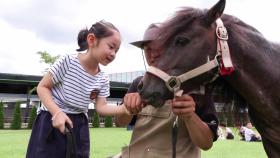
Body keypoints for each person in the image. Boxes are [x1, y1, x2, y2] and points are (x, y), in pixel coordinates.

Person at [26, 20, 128, 158]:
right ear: (92, 40)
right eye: (111, 47)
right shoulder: (68, 62)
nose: (113, 54)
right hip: (51, 121)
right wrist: (57, 113)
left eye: (116, 50)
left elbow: (101, 107)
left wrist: (124, 108)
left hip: (79, 126)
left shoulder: (103, 78)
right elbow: (42, 87)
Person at [114, 23, 219, 158]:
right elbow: (120, 122)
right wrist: (127, 109)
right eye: (147, 49)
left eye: (158, 47)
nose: (152, 54)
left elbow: (206, 144)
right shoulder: (139, 84)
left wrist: (190, 116)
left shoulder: (196, 87)